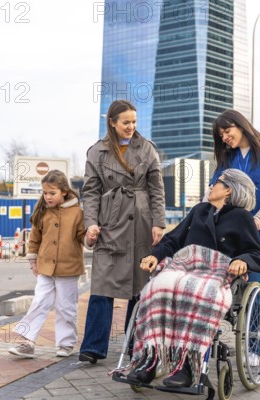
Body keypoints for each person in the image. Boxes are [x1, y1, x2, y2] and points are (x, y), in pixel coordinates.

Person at [123, 169, 260, 388]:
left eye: (216, 183)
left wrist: (243, 260)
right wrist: (154, 255)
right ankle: (149, 361)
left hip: (216, 272)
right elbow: (173, 240)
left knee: (198, 292)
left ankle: (187, 367)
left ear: (228, 189)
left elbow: (257, 254)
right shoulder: (199, 210)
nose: (211, 186)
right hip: (186, 266)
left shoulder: (242, 218)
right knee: (157, 286)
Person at [79, 99, 166, 364]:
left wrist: (158, 223)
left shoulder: (147, 149)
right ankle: (93, 347)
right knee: (101, 284)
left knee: (139, 286)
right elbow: (91, 192)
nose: (131, 127)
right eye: (125, 122)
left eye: (134, 122)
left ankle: (134, 345)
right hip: (110, 222)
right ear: (113, 123)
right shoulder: (97, 152)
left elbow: (157, 189)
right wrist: (90, 223)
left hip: (141, 221)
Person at [209, 109, 260, 298]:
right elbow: (212, 191)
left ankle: (256, 329)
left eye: (227, 131)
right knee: (228, 292)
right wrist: (201, 214)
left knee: (257, 292)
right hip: (232, 234)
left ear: (241, 125)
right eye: (221, 135)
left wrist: (258, 218)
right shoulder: (228, 158)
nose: (225, 137)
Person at [8, 170, 86, 359]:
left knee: (65, 306)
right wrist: (33, 260)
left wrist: (91, 237)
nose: (48, 197)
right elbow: (34, 239)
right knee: (39, 302)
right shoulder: (42, 212)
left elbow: (83, 238)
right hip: (45, 267)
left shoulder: (78, 213)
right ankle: (28, 341)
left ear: (64, 192)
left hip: (68, 268)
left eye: (52, 193)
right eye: (45, 193)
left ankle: (66, 344)